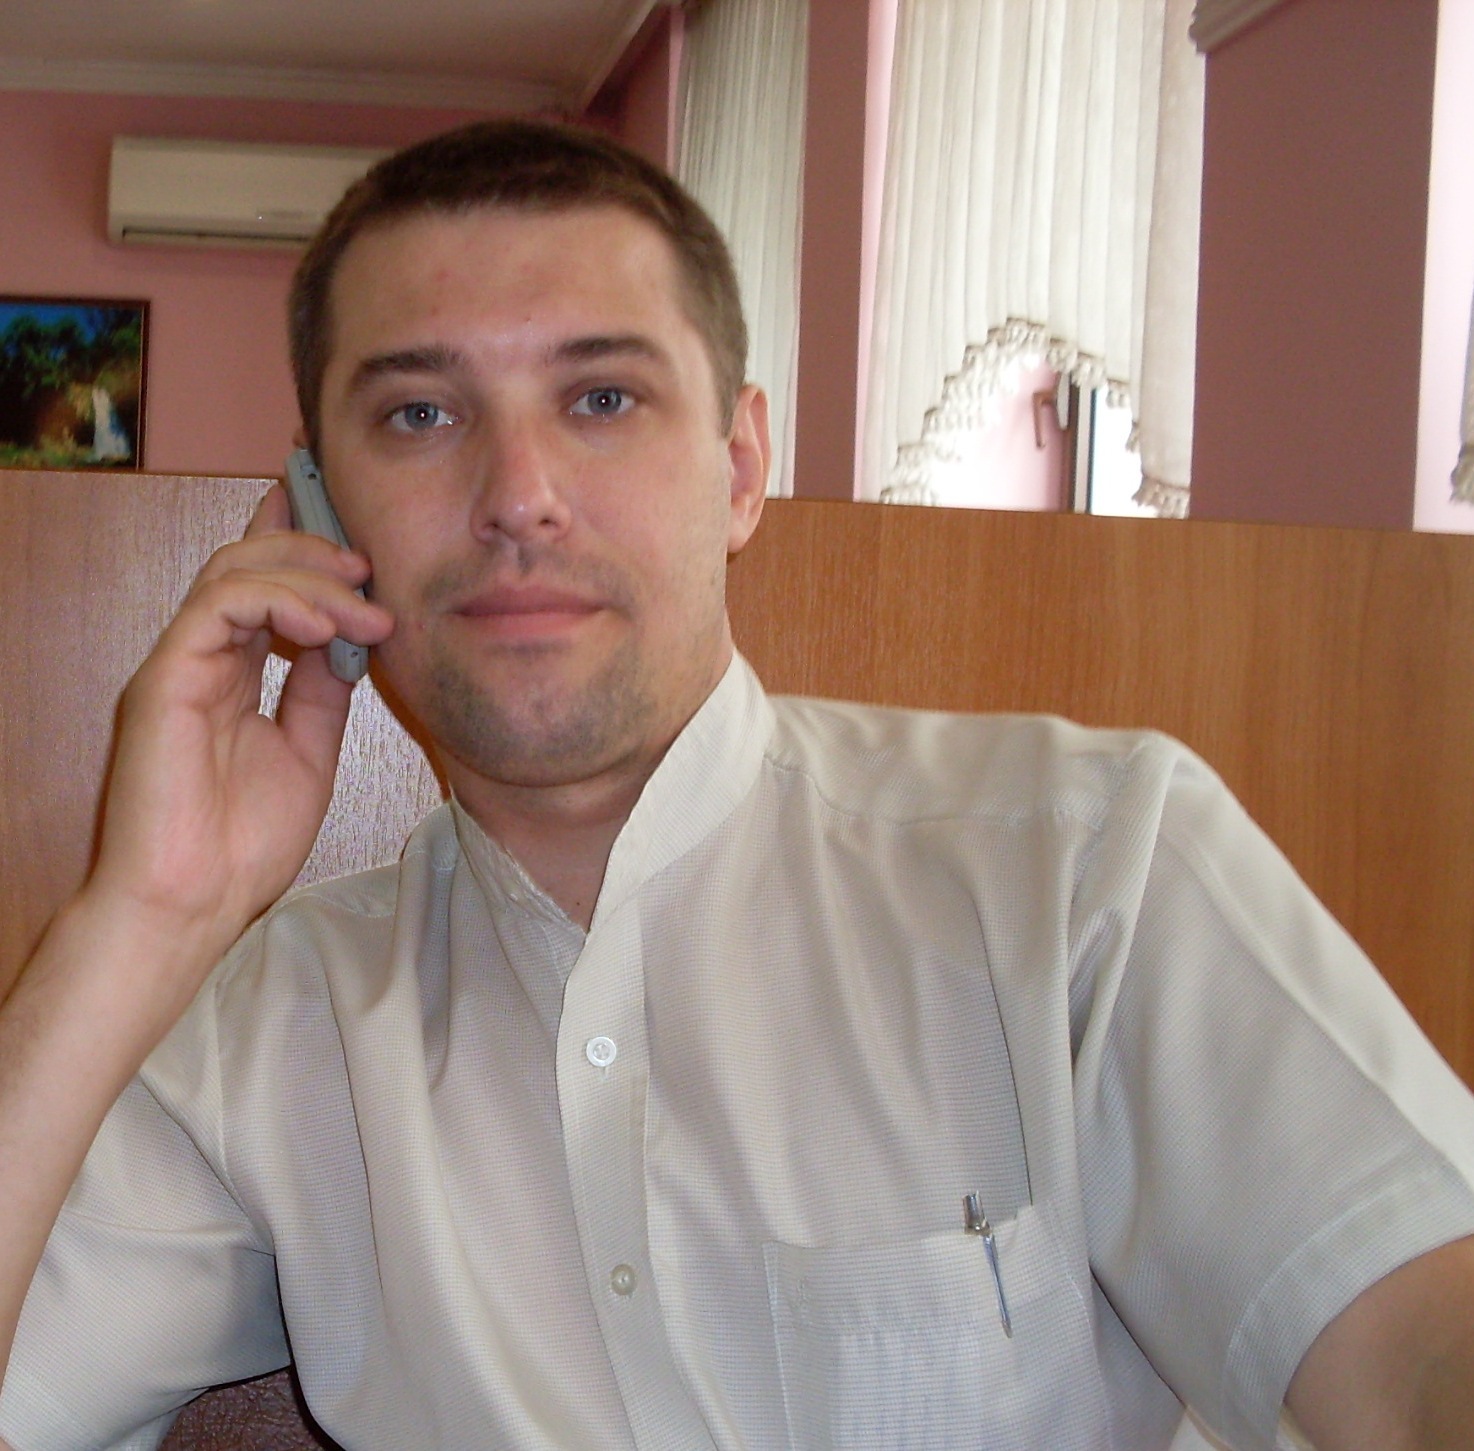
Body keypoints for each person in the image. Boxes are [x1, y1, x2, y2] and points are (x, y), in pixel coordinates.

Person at [1, 119, 1472, 1451]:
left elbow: (1415, 1359)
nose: (518, 495)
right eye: (419, 417)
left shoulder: (1086, 862)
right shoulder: (275, 1029)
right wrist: (140, 922)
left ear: (741, 469)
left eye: (602, 397)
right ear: (320, 512)